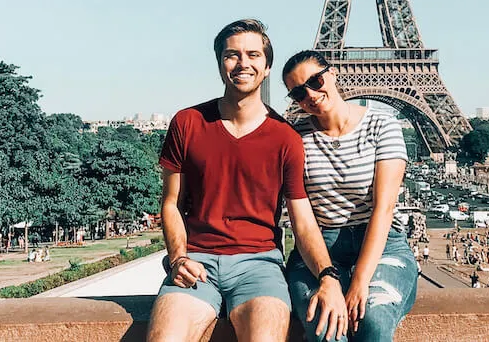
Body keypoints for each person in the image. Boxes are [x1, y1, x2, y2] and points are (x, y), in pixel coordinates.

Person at [147, 20, 347, 342]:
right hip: (195, 260)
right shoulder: (187, 123)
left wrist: (327, 275)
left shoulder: (286, 138)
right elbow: (171, 203)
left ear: (267, 67)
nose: (243, 63)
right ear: (219, 63)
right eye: (232, 55)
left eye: (253, 54)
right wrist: (178, 257)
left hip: (259, 265)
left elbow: (302, 220)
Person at [282, 50, 418, 342]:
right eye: (298, 92)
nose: (310, 93)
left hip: (381, 245)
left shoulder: (383, 125)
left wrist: (359, 280)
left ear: (332, 74)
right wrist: (326, 276)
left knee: (374, 320)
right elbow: (302, 221)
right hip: (320, 249)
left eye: (315, 81)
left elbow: (384, 209)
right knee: (325, 330)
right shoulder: (294, 139)